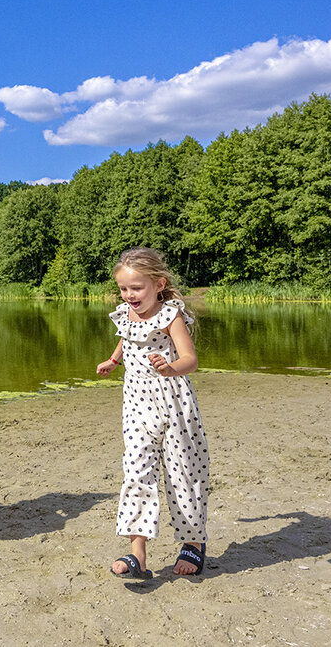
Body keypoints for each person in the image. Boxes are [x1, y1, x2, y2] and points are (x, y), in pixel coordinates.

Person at [96, 247, 209, 579]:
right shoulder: (125, 313)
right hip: (136, 403)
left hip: (174, 401)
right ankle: (137, 555)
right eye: (124, 288)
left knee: (183, 473)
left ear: (158, 284)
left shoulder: (170, 315)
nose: (129, 295)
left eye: (136, 288)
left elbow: (191, 359)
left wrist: (169, 367)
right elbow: (126, 337)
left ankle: (193, 543)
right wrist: (114, 360)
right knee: (136, 472)